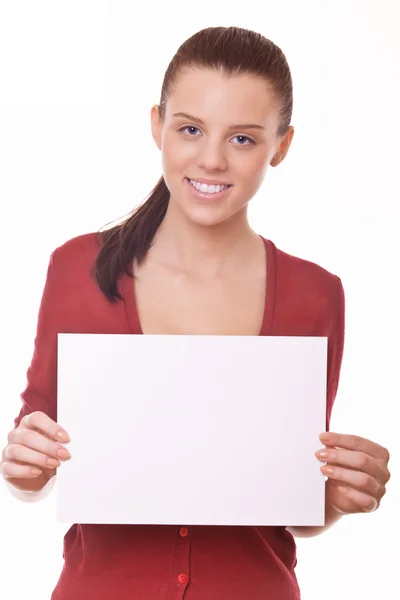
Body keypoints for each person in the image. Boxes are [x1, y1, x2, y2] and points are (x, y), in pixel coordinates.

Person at [1, 26, 391, 600]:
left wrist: (337, 498)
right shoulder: (77, 267)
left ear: (281, 146)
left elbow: (290, 503)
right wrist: (23, 463)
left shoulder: (317, 294)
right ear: (157, 124)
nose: (211, 160)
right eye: (190, 129)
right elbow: (34, 458)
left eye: (243, 139)